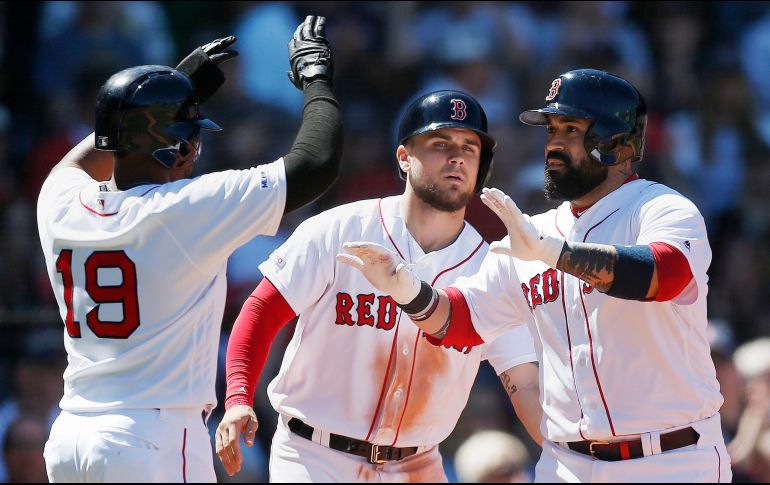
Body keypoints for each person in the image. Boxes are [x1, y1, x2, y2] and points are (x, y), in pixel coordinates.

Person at [339, 68, 732, 482]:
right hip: (566, 465)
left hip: (671, 459)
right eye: (551, 130)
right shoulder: (532, 233)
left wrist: (552, 252)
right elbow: (463, 321)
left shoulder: (661, 209)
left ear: (616, 143)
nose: (553, 143)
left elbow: (663, 274)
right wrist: (407, 289)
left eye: (571, 129)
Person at [36, 15, 342, 483]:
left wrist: (163, 90)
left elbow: (82, 157)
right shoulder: (184, 211)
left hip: (70, 435)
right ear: (178, 148)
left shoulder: (59, 204)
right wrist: (318, 81)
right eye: (191, 135)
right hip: (151, 438)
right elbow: (316, 164)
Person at [214, 90, 542, 482]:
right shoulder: (341, 228)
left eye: (470, 148)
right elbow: (262, 310)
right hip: (315, 456)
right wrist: (237, 398)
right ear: (404, 157)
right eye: (440, 144)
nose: (457, 157)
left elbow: (524, 382)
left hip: (417, 464)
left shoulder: (492, 268)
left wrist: (576, 455)